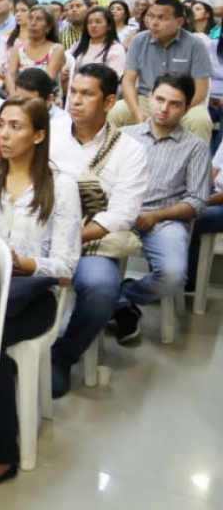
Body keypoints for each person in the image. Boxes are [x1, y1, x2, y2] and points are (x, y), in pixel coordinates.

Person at [0, 96, 81, 486]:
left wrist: (26, 264)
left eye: (16, 126)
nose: (4, 133)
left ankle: (4, 447)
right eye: (1, 124)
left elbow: (67, 265)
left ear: (38, 135)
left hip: (31, 295)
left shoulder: (61, 186)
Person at [49, 64, 149, 398]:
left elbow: (122, 214)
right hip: (41, 233)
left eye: (86, 94)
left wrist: (71, 240)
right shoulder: (49, 133)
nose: (75, 101)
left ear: (108, 102)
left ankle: (63, 355)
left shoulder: (129, 150)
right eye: (73, 92)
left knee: (102, 287)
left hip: (89, 239)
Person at [112, 73, 210, 343]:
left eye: (175, 104)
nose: (164, 108)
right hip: (120, 215)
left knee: (173, 275)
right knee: (83, 262)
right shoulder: (123, 136)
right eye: (159, 99)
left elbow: (198, 201)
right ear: (150, 99)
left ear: (187, 108)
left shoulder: (196, 147)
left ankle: (122, 297)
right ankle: (115, 305)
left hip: (163, 222)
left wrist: (156, 215)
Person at [109, 0, 214, 143]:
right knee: (115, 112)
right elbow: (128, 81)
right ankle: (111, 163)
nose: (154, 23)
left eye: (162, 18)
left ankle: (196, 164)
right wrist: (137, 112)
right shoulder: (139, 40)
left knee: (200, 120)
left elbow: (201, 89)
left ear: (179, 22)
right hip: (146, 98)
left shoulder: (195, 44)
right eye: (151, 16)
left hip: (183, 102)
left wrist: (179, 110)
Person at [5, 6, 66, 95]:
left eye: (39, 19)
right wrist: (13, 95)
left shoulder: (56, 49)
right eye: (30, 18)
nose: (33, 23)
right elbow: (10, 75)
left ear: (48, 27)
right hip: (20, 97)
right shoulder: (18, 48)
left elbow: (48, 78)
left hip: (46, 97)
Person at [70, 7, 126, 78]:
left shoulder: (116, 48)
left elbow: (113, 78)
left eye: (98, 22)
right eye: (89, 22)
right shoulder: (79, 45)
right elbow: (66, 61)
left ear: (109, 26)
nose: (93, 26)